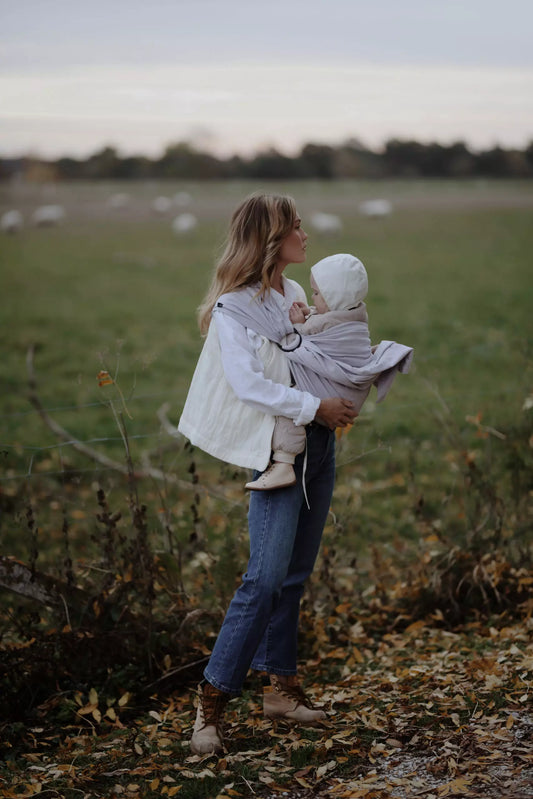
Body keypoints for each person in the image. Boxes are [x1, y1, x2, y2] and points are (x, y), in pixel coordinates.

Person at [178, 193, 357, 756]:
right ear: (271, 240)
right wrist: (316, 408)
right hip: (279, 451)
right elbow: (248, 385)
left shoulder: (296, 293)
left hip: (320, 445)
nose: (306, 234)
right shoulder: (234, 310)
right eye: (296, 227)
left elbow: (308, 354)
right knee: (264, 577)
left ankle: (281, 689)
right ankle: (210, 701)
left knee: (295, 574)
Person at [245, 252, 413, 491]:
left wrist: (297, 323)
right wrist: (312, 313)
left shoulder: (324, 324)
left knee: (289, 408)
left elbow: (301, 340)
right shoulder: (355, 316)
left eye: (316, 293)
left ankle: (283, 463)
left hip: (334, 391)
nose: (312, 297)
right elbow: (325, 325)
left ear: (335, 297)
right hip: (347, 399)